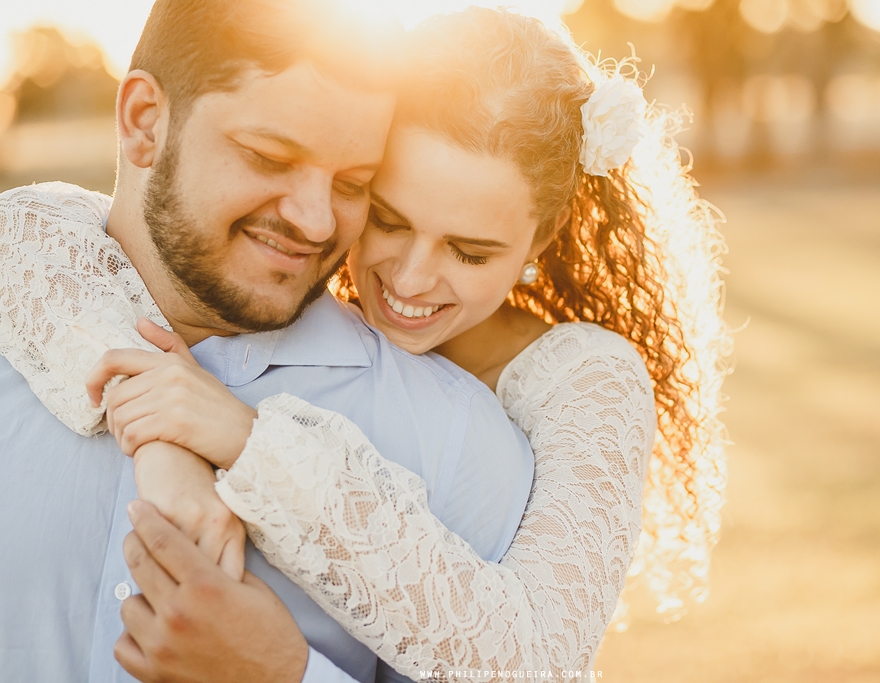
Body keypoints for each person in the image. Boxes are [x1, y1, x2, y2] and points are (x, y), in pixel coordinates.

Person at [2, 7, 729, 683]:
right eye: (385, 215)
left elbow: (538, 660)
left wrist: (251, 454)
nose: (408, 279)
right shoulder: (56, 271)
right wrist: (163, 440)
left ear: (539, 242)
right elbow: (30, 229)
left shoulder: (570, 392)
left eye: (470, 252)